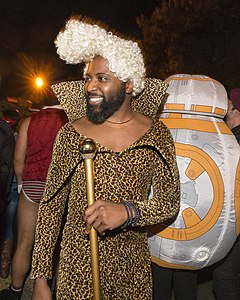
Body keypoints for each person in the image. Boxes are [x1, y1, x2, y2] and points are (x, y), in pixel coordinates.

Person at [30, 16, 180, 299]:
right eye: (87, 78)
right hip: (78, 268)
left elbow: (169, 202)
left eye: (102, 78)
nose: (89, 87)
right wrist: (40, 278)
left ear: (128, 83)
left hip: (133, 272)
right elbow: (50, 208)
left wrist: (128, 211)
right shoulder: (71, 134)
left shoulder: (156, 134)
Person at [0, 94, 68, 300]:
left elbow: (18, 159)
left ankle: (15, 291)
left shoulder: (30, 121)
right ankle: (51, 291)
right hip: (58, 188)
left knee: (25, 243)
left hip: (32, 185)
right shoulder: (71, 122)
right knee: (57, 245)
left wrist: (22, 184)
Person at [212, 88, 240, 300]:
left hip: (235, 218)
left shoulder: (233, 143)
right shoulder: (230, 138)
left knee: (224, 276)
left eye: (229, 106)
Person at [0, 113, 16, 278]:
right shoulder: (5, 130)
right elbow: (6, 166)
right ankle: (4, 267)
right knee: (8, 224)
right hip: (6, 186)